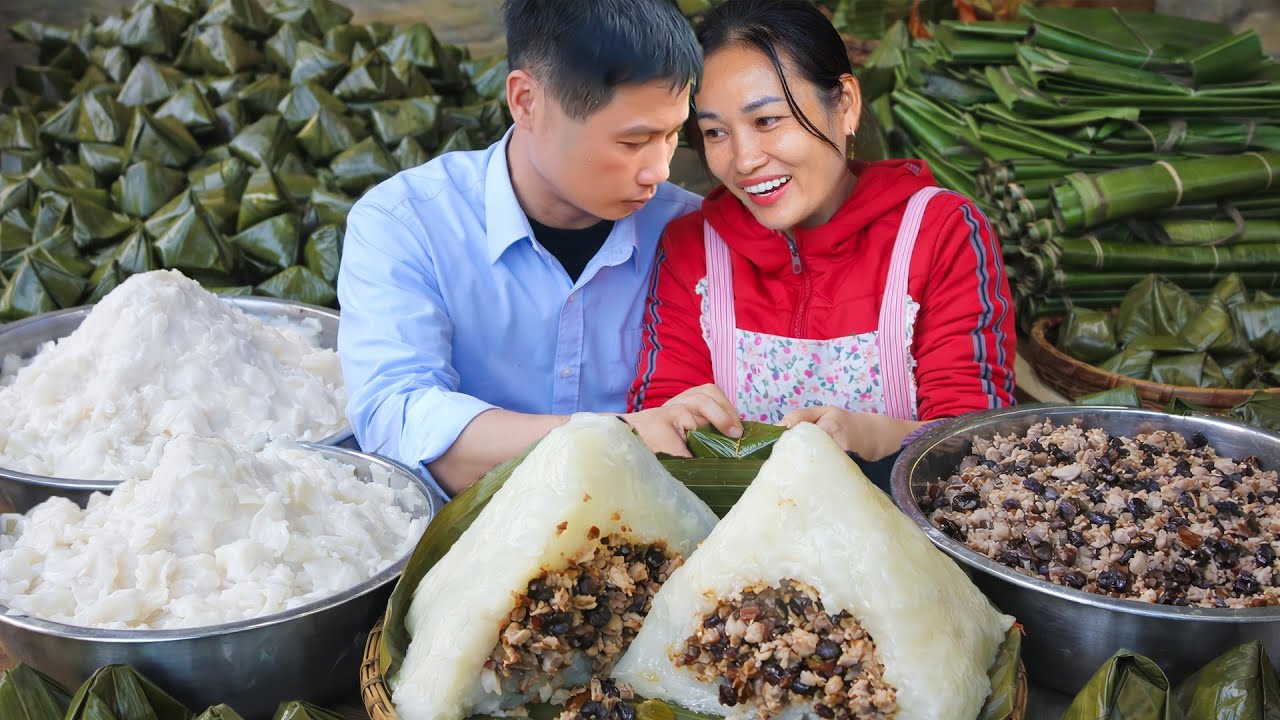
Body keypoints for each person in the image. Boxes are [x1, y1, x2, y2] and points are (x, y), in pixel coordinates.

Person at [338, 0, 740, 497]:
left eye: (672, 136)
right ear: (527, 101)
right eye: (633, 142)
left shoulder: (698, 236)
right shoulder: (406, 223)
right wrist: (617, 434)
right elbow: (396, 418)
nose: (658, 170)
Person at [628, 0, 1017, 485]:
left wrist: (873, 437)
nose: (744, 159)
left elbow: (982, 438)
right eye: (715, 132)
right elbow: (661, 413)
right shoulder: (693, 247)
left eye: (767, 120)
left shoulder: (941, 231)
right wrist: (674, 419)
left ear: (846, 104)